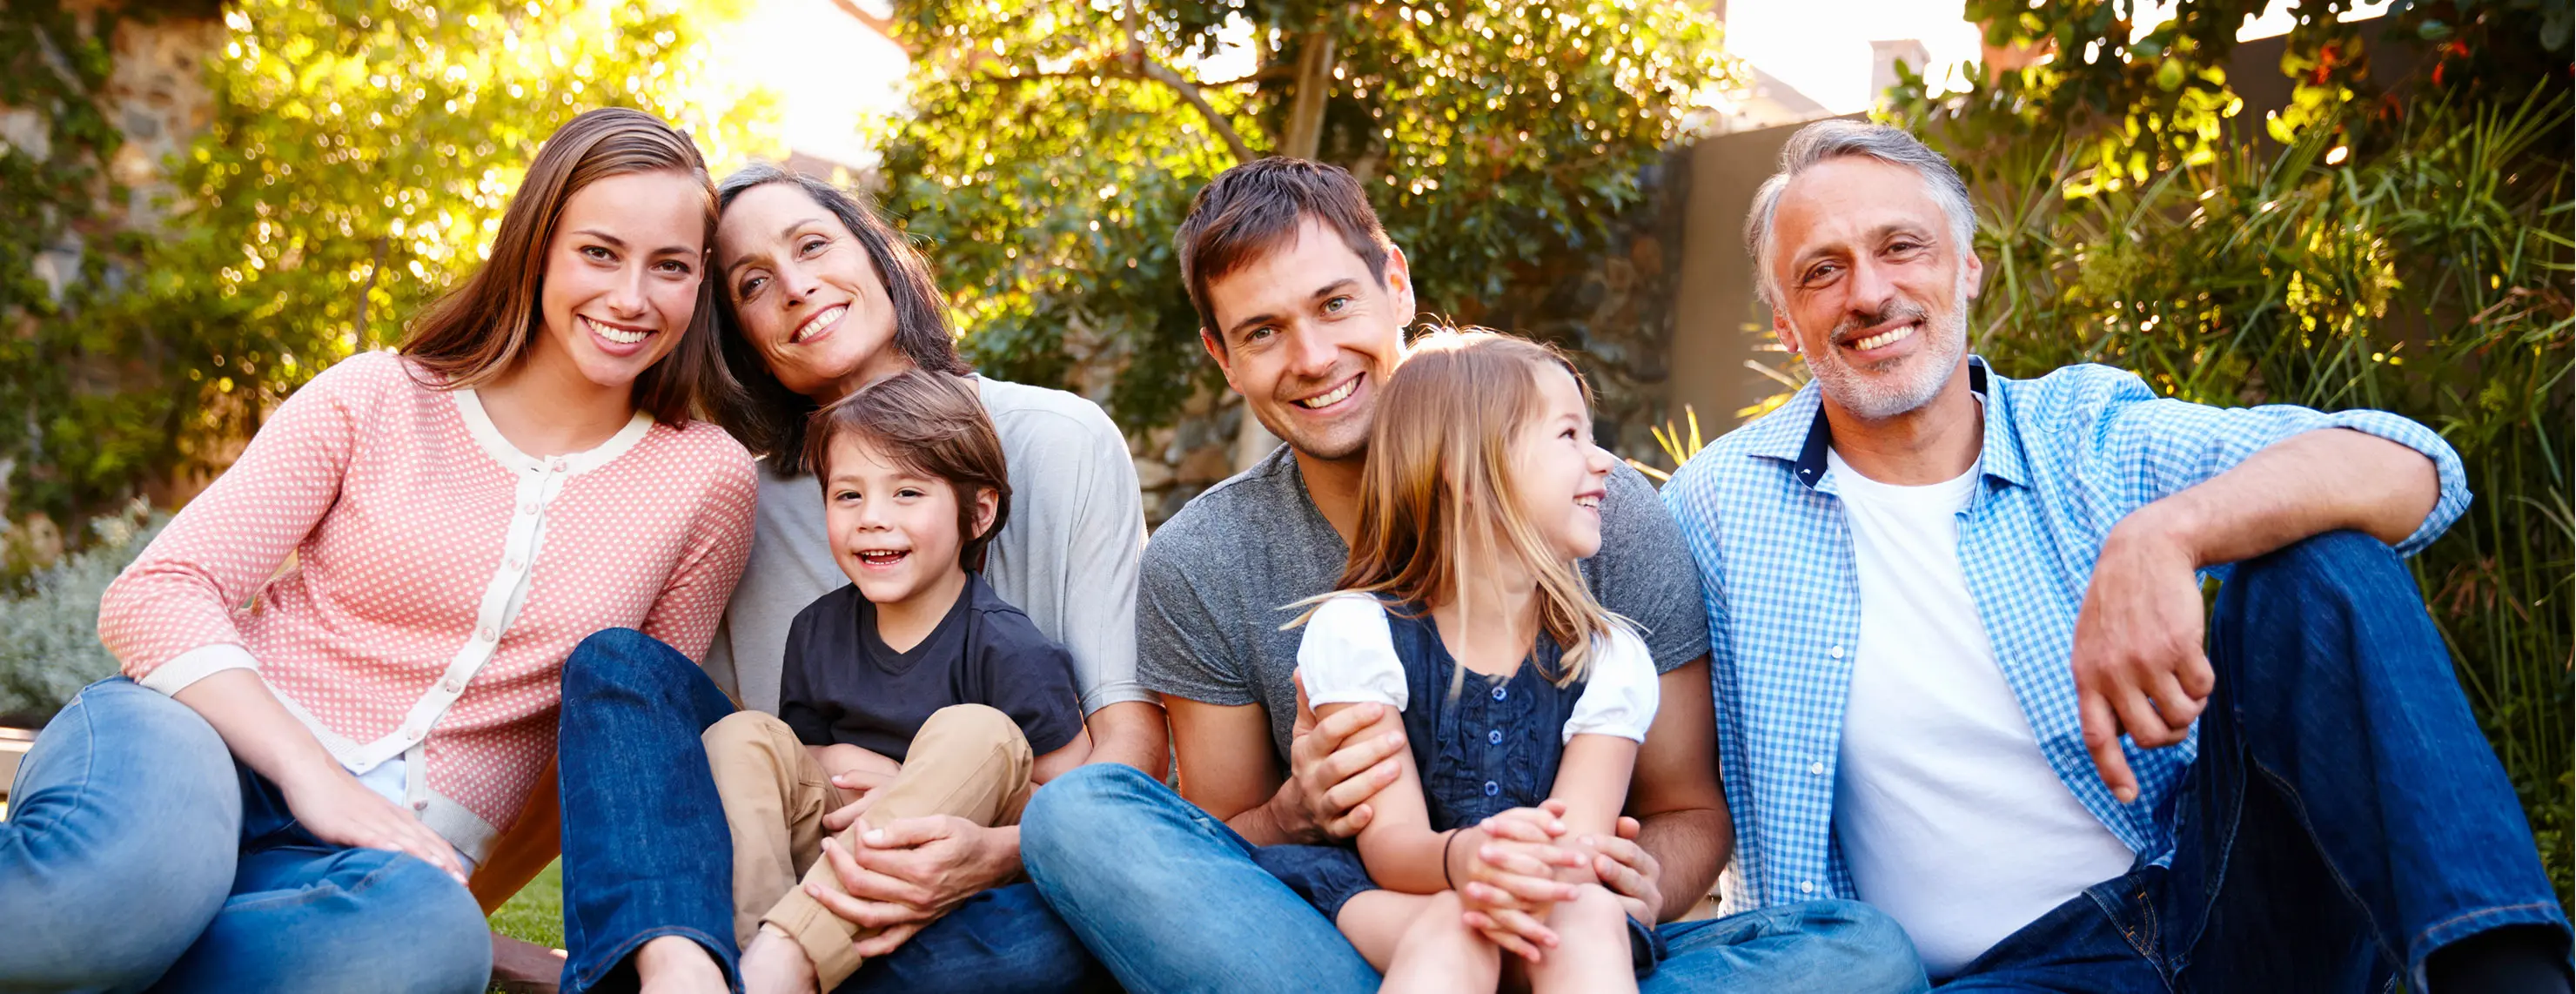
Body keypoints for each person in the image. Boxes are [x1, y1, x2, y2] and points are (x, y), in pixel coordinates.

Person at [1661, 118, 2572, 991]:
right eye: (1822, 270)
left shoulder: (2085, 434)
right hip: (2004, 977)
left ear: (1966, 270)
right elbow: (1602, 697)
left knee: (2317, 560)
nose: (1867, 293)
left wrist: (2166, 532)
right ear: (1784, 323)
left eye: (1901, 247)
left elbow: (2409, 467)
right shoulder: (1713, 506)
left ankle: (2506, 979)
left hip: (2219, 900)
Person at [1018, 157, 1927, 994]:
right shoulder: (1207, 558)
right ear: (1222, 358)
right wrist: (1296, 808)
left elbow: (1685, 807)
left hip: (1570, 941)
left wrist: (1629, 895)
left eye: (1333, 303)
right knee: (1083, 813)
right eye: (1262, 330)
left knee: (1861, 953)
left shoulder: (1604, 516)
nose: (1310, 357)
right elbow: (1215, 854)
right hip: (1341, 941)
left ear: (1396, 283)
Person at [0, 106, 755, 993]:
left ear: (698, 281)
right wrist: (313, 775)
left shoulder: (705, 480)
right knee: (124, 885)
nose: (632, 297)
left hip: (361, 864)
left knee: (424, 945)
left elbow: (621, 742)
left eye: (668, 266)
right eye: (599, 252)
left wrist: (443, 884)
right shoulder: (380, 396)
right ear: (537, 246)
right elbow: (158, 590)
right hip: (190, 747)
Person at [546, 165, 1153, 994]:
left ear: (877, 256)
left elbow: (1129, 753)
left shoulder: (1061, 438)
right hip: (800, 851)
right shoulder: (736, 495)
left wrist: (990, 855)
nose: (796, 287)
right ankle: (699, 970)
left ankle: (754, 973)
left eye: (813, 245)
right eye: (754, 283)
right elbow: (696, 761)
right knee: (616, 667)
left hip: (991, 881)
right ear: (739, 336)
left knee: (1038, 946)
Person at [1251, 331, 1667, 994]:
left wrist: (1528, 874)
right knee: (1457, 929)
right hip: (1398, 898)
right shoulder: (1362, 632)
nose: (1603, 463)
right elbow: (1390, 849)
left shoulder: (1610, 659)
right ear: (1470, 471)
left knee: (1585, 913)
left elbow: (1574, 855)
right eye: (1568, 437)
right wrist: (1465, 860)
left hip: (1545, 911)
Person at [708, 370, 1092, 994]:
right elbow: (798, 765)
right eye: (849, 496)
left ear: (979, 512)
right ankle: (757, 954)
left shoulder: (1009, 646)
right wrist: (840, 758)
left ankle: (788, 965)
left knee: (977, 731)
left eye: (907, 493)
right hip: (834, 855)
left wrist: (927, 789)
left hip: (947, 870)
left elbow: (1073, 807)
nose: (873, 519)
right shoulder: (816, 630)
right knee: (742, 735)